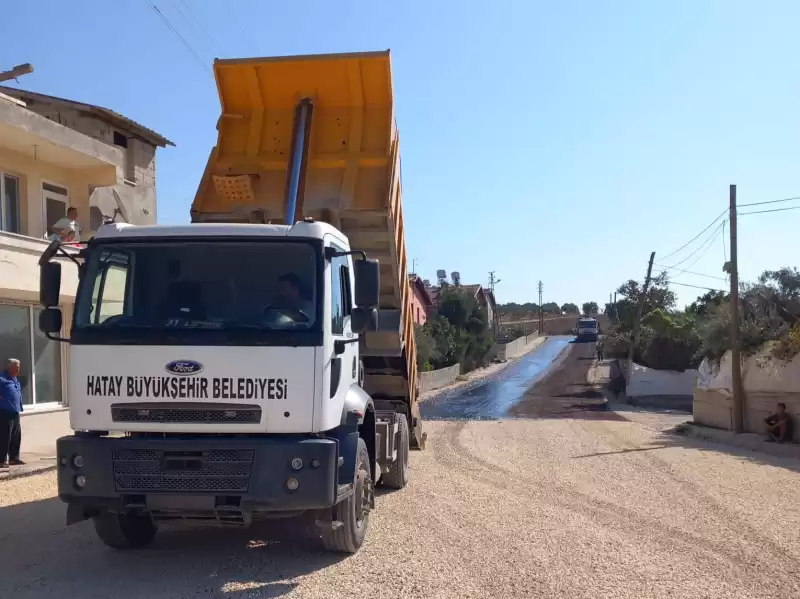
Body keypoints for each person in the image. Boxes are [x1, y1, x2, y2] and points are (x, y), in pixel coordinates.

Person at [0, 358, 24, 468]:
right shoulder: (2, 379)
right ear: (10, 367)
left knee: (16, 436)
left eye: (19, 367)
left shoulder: (15, 379)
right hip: (5, 412)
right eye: (16, 367)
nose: (18, 369)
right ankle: (2, 460)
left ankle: (14, 458)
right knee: (4, 437)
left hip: (15, 412)